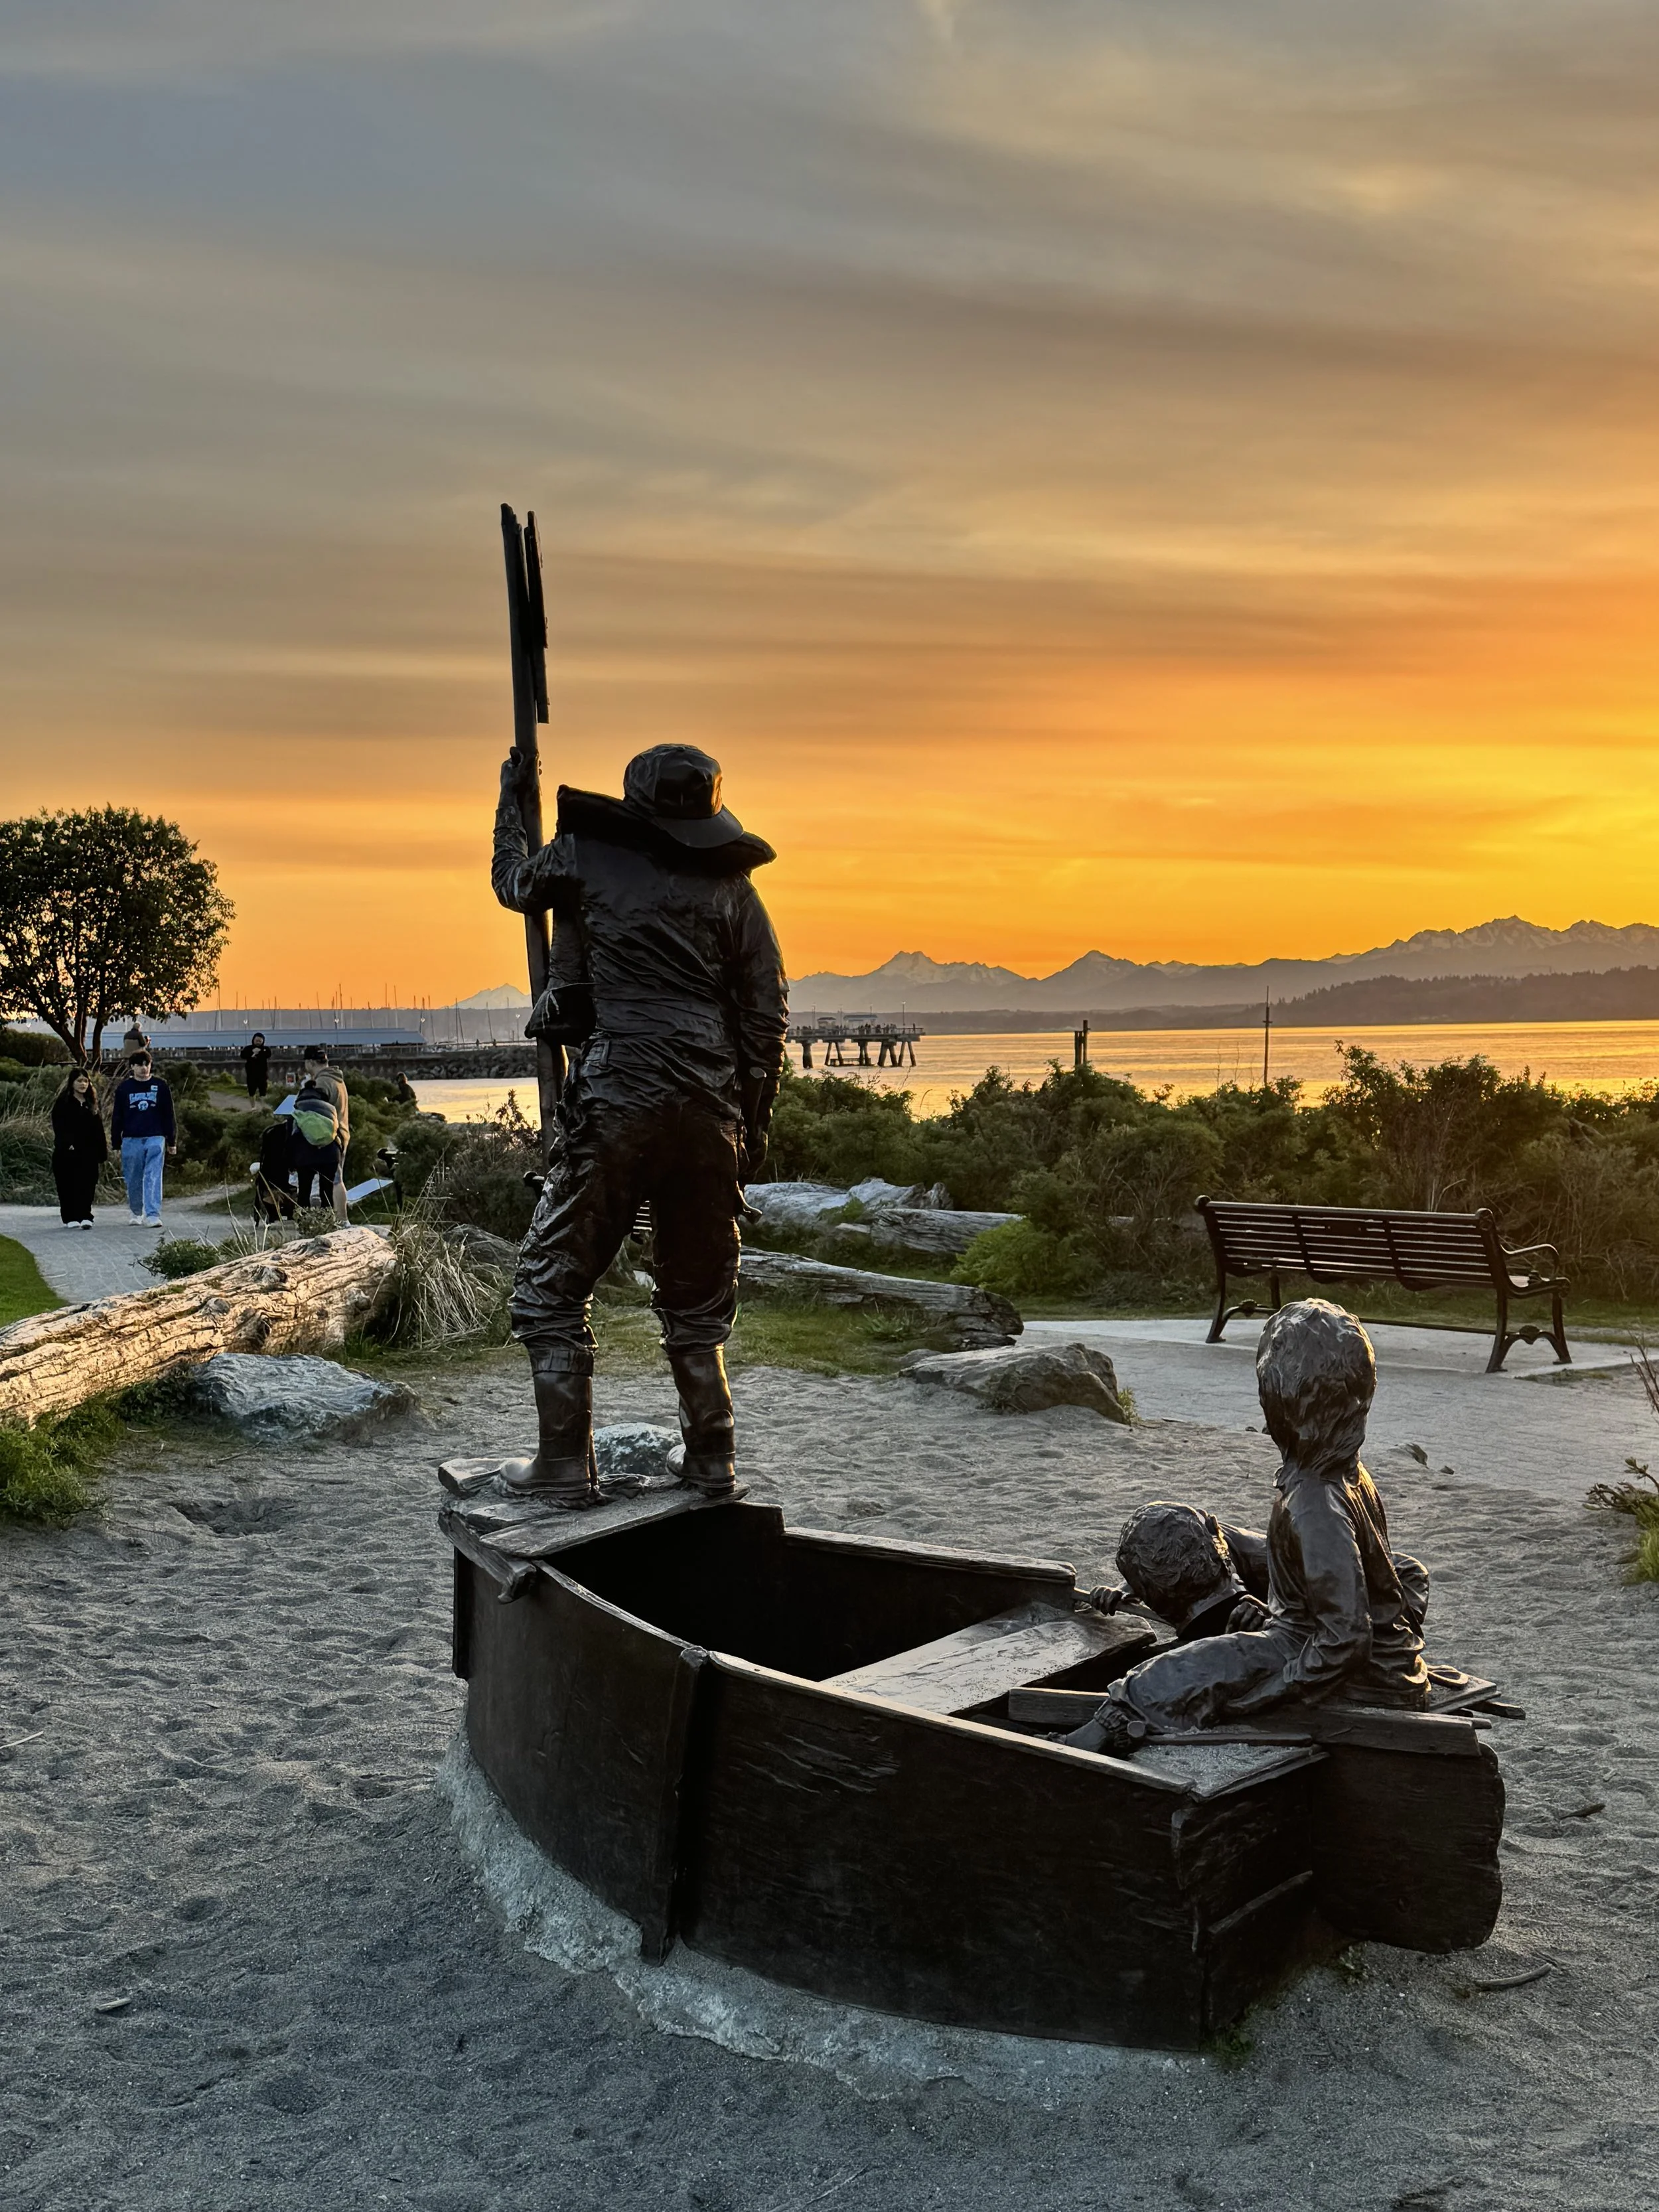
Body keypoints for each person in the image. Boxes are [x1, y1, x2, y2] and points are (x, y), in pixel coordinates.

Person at [490, 741, 788, 1508]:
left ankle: (564, 1462)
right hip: (710, 1110)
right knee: (697, 1295)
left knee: (551, 1285)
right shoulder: (736, 892)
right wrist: (750, 1129)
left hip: (617, 1094)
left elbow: (513, 885)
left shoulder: (585, 856)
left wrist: (510, 807)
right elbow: (766, 1021)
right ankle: (712, 1457)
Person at [1068, 1300, 1432, 1756]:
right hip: (1362, 1657)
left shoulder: (1314, 1504)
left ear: (1284, 1407)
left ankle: (1092, 1738)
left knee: (1172, 1672)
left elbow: (1346, 1638)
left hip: (1334, 1664)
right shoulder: (1344, 1474)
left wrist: (1273, 1690)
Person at [109, 1051, 175, 1226]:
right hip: (132, 1138)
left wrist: (171, 1140)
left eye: (147, 1064)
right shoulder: (124, 1088)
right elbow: (118, 1116)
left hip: (155, 1136)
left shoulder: (160, 1086)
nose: (144, 1068)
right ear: (132, 1067)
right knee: (134, 1177)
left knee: (153, 1176)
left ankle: (153, 1214)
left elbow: (168, 1114)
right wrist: (116, 1141)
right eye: (140, 1065)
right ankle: (136, 1211)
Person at [50, 1069, 108, 1228]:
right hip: (68, 1152)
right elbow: (59, 1126)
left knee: (88, 1184)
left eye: (86, 1081)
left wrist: (102, 1150)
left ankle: (86, 1216)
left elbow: (99, 1129)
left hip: (89, 1152)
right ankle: (70, 1217)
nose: (83, 1084)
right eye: (79, 1081)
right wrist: (68, 1144)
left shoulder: (91, 1103)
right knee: (68, 1185)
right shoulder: (63, 1103)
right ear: (72, 1083)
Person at [300, 1045, 351, 1222]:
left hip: (331, 1138)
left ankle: (342, 1220)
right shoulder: (337, 1078)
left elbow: (316, 1114)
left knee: (335, 1180)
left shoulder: (322, 1082)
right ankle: (339, 1219)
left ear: (310, 1062)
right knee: (337, 1179)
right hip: (343, 1133)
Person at [289, 1072, 343, 1211]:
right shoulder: (330, 1110)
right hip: (330, 1155)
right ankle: (328, 1220)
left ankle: (304, 1221)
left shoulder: (298, 1111)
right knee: (327, 1192)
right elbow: (338, 1133)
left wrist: (291, 1163)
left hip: (305, 1157)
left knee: (304, 1192)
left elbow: (290, 1140)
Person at [252, 1113, 297, 1223]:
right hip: (290, 1172)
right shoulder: (297, 1132)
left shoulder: (272, 1132)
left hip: (271, 1174)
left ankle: (271, 1212)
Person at [240, 1032, 271, 1100]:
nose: (258, 1043)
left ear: (263, 1041)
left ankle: (263, 1104)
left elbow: (269, 1054)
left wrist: (260, 1052)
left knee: (263, 1090)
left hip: (262, 1074)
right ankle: (253, 1105)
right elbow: (242, 1055)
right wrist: (252, 1053)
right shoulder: (248, 1048)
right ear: (253, 1040)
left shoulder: (266, 1049)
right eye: (257, 1041)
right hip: (251, 1074)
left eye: (260, 1041)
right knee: (251, 1091)